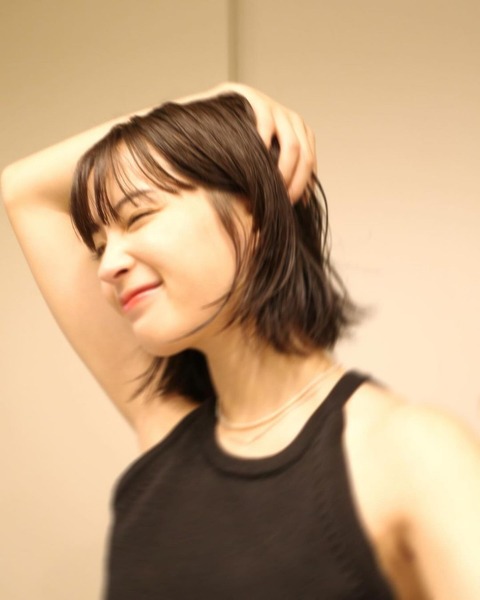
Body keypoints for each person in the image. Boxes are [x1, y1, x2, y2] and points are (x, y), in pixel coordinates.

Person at [2, 84, 480, 600]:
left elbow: (23, 190)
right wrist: (216, 99)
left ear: (253, 208)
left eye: (138, 217)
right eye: (99, 247)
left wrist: (219, 119)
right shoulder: (167, 432)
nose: (108, 265)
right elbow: (21, 190)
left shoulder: (411, 452)